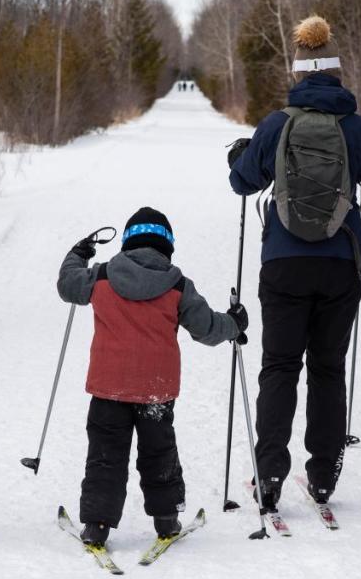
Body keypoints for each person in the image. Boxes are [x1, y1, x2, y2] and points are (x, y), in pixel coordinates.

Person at [227, 16, 361, 513]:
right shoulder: (357, 127)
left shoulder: (277, 124)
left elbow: (242, 183)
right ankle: (322, 476)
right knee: (327, 369)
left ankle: (270, 475)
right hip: (340, 265)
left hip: (283, 263)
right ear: (339, 75)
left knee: (279, 367)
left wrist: (246, 156)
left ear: (298, 75)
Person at [57, 207, 247, 546]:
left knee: (105, 455)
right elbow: (207, 329)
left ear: (127, 242)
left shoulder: (100, 276)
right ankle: (166, 519)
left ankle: (97, 525)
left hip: (108, 388)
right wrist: (235, 323)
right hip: (155, 391)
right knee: (159, 453)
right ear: (166, 246)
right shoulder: (177, 285)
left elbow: (68, 284)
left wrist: (78, 253)